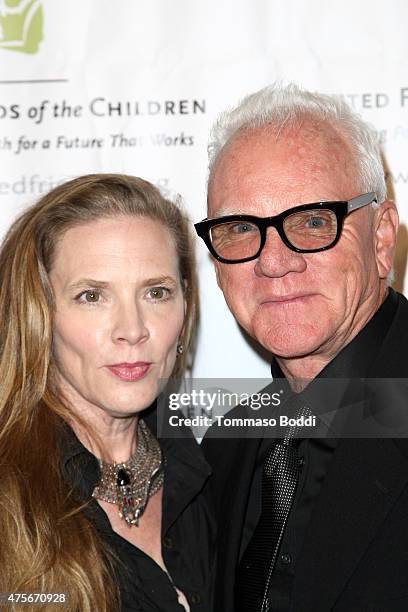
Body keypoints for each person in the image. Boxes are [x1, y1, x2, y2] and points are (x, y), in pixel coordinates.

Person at [196, 84, 408, 611]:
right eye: (241, 229)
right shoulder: (221, 448)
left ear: (381, 238)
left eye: (313, 221)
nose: (273, 262)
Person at [0, 174, 214, 612]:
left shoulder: (222, 477)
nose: (132, 330)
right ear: (39, 315)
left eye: (157, 292)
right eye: (92, 296)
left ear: (185, 306)